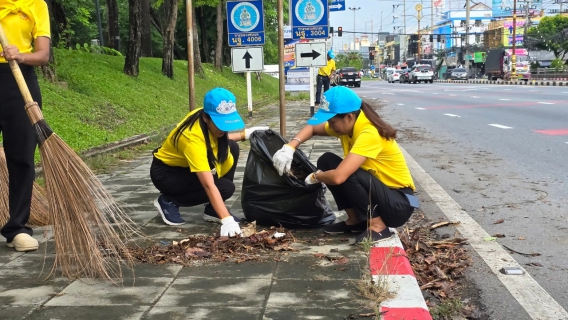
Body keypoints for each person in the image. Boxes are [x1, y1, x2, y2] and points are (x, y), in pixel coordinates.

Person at [272, 86, 418, 243]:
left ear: (349, 117)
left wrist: (316, 176)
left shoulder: (369, 133)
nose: (330, 126)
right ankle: (356, 220)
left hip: (398, 204)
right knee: (327, 160)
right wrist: (290, 146)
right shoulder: (349, 124)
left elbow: (338, 178)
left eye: (332, 121)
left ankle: (378, 227)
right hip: (383, 194)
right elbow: (313, 128)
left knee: (345, 172)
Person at [150, 88, 268, 237]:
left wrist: (245, 134)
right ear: (206, 118)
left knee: (232, 147)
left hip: (185, 167)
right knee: (225, 188)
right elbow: (208, 184)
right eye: (220, 124)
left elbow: (218, 139)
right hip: (168, 175)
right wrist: (227, 220)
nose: (224, 129)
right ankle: (168, 200)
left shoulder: (206, 113)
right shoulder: (191, 139)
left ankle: (213, 209)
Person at [0, 0, 51, 252]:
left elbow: (43, 55)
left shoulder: (35, 4)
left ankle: (16, 228)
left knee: (21, 156)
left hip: (18, 79)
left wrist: (20, 55)